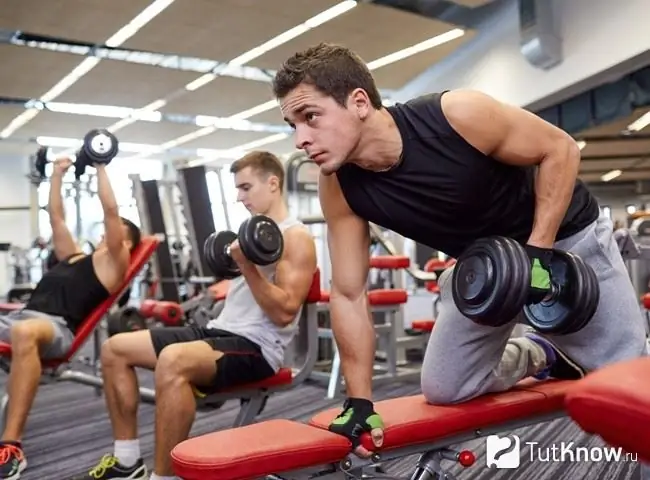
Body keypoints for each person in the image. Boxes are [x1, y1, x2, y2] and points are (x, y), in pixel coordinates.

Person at [272, 43, 648, 457]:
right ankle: (541, 353)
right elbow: (348, 292)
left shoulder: (456, 116)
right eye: (293, 125)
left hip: (563, 240)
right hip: (487, 266)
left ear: (359, 102)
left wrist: (537, 254)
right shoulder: (339, 186)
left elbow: (559, 148)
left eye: (311, 117)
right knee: (447, 388)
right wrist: (360, 402)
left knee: (633, 388)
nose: (301, 139)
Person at [76, 151, 317, 480]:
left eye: (246, 187)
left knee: (174, 360)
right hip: (219, 331)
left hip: (258, 347)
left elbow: (285, 312)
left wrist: (246, 266)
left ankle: (165, 477)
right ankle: (128, 460)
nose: (239, 196)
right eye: (237, 188)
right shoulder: (252, 233)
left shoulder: (295, 237)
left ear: (272, 183)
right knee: (114, 349)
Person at [0, 157, 141, 479]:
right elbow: (56, 216)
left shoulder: (112, 266)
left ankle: (11, 447)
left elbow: (109, 211)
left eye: (114, 229)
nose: (106, 230)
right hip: (22, 318)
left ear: (127, 242)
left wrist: (101, 164)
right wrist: (57, 175)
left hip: (54, 328)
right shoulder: (74, 255)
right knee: (21, 328)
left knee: (24, 333)